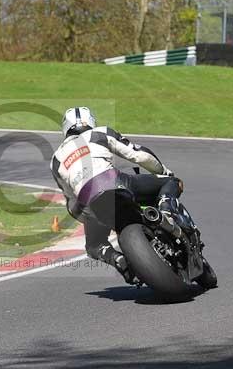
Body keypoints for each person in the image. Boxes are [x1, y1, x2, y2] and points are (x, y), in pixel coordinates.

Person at [50, 107, 181, 283]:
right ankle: (166, 213)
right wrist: (164, 171)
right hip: (114, 182)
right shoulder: (100, 133)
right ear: (91, 121)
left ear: (65, 128)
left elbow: (72, 204)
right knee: (170, 182)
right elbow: (139, 156)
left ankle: (118, 259)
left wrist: (91, 219)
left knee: (94, 246)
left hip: (90, 200)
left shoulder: (56, 159)